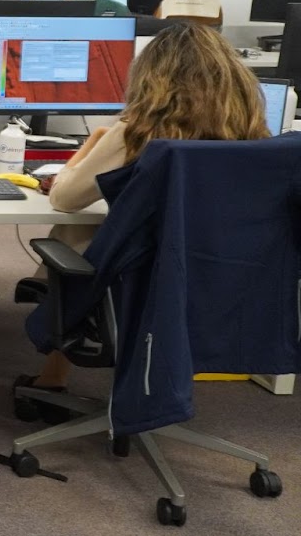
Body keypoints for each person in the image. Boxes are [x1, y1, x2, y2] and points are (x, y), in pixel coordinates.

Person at [18, 21, 268, 393]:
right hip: (217, 278)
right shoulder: (253, 134)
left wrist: (94, 143)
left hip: (135, 280)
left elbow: (64, 198)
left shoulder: (136, 131)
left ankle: (52, 364)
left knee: (78, 229)